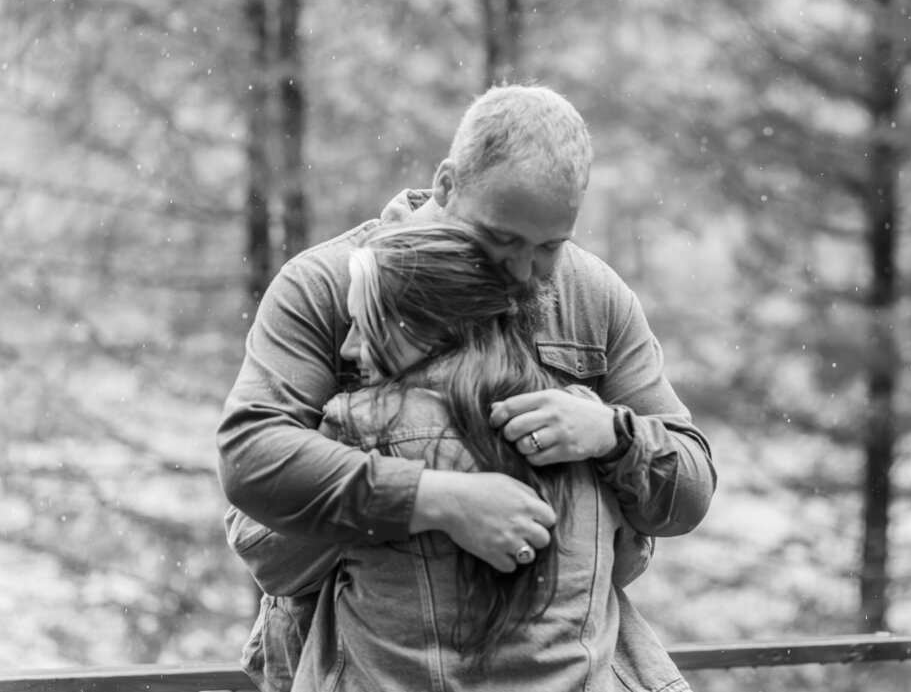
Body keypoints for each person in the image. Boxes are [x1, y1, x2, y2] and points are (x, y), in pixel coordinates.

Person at [217, 84, 716, 689]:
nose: (523, 272)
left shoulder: (594, 297)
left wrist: (610, 435)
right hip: (370, 667)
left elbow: (689, 492)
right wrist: (438, 499)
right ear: (447, 185)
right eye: (502, 239)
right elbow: (252, 467)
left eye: (550, 247)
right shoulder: (324, 285)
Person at [233, 220, 666, 689]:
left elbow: (266, 552)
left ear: (423, 328)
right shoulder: (584, 423)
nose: (347, 347)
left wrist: (404, 499)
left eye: (363, 324)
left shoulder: (361, 428)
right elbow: (626, 559)